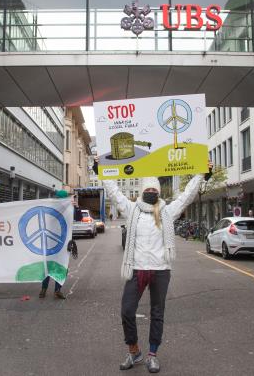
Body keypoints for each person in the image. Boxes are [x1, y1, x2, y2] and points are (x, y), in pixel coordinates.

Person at [94, 158, 213, 373]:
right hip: (137, 268)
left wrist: (201, 174)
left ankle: (152, 354)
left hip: (160, 270)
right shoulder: (131, 209)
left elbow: (187, 196)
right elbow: (114, 192)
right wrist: (101, 169)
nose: (150, 191)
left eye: (153, 188)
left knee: (157, 313)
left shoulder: (168, 211)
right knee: (127, 311)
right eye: (147, 188)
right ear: (141, 191)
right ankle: (134, 350)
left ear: (158, 191)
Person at [39, 189, 77, 300]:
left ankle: (53, 290)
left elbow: (78, 217)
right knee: (53, 266)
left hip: (62, 243)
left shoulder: (69, 208)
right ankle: (48, 289)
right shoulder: (52, 209)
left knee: (59, 266)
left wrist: (76, 207)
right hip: (53, 242)